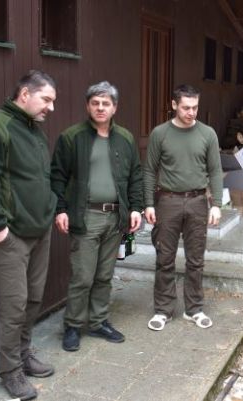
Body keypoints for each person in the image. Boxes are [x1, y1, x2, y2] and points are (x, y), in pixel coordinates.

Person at [0, 70, 58, 400]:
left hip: (40, 230)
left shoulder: (34, 130)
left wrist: (48, 210)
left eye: (53, 101)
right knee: (14, 305)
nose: (51, 107)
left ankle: (22, 353)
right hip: (11, 237)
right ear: (24, 94)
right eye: (46, 99)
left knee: (33, 299)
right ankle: (9, 370)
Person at [51, 81, 143, 352]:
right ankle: (73, 325)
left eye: (106, 103)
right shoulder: (72, 137)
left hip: (115, 218)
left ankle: (99, 321)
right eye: (95, 103)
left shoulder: (125, 138)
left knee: (105, 274)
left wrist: (135, 207)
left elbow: (135, 176)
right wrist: (60, 209)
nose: (100, 108)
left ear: (115, 107)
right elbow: (57, 175)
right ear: (87, 106)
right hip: (85, 216)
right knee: (82, 276)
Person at [143, 84, 223, 332]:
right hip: (168, 201)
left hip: (199, 201)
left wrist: (217, 204)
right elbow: (149, 170)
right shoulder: (160, 133)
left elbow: (215, 171)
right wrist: (148, 203)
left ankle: (194, 309)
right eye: (186, 107)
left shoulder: (208, 134)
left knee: (196, 260)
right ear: (174, 105)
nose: (191, 112)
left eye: (195, 107)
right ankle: (163, 310)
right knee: (164, 257)